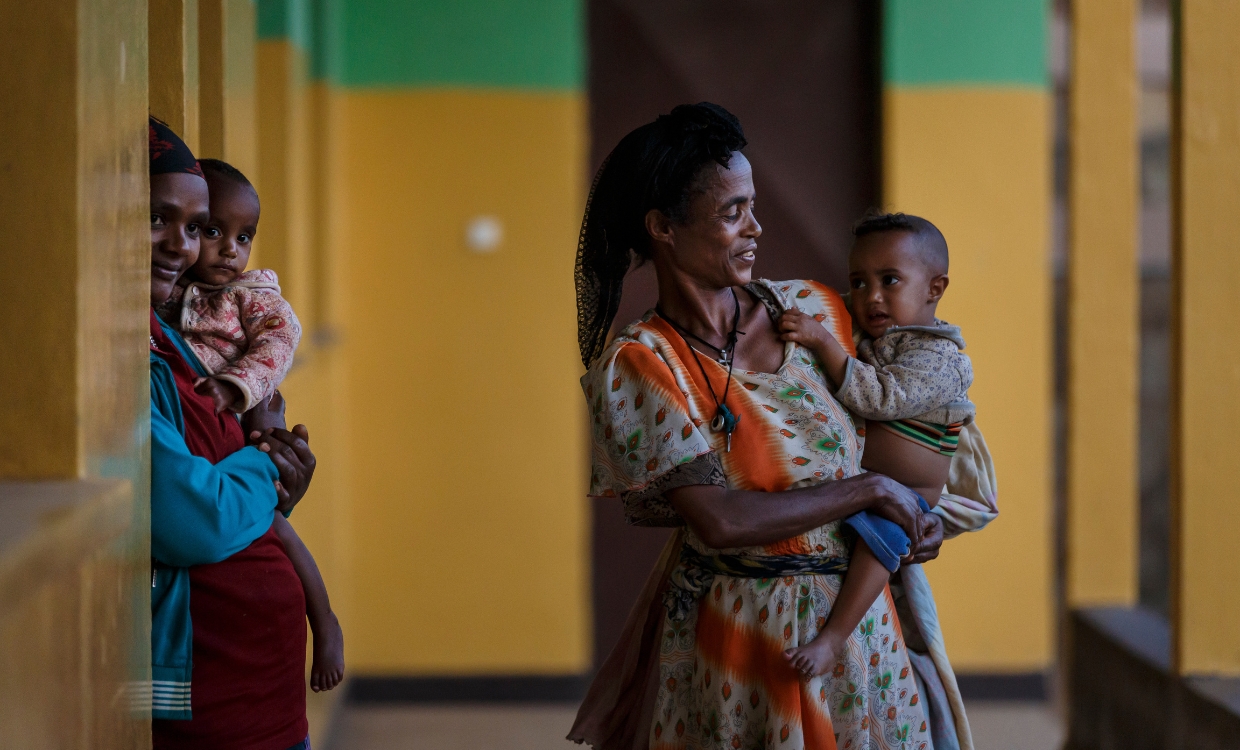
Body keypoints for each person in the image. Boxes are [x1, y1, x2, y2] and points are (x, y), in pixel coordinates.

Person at [568, 103, 944, 750]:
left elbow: (916, 416)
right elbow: (718, 521)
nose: (755, 228)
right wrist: (869, 492)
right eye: (731, 212)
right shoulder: (642, 366)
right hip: (739, 643)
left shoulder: (815, 310)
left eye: (754, 206)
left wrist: (925, 510)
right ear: (661, 227)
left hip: (861, 636)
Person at [147, 116, 317, 750]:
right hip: (212, 698)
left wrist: (268, 466)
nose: (182, 246)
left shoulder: (187, 341)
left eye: (195, 227)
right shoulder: (135, 357)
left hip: (263, 693)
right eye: (155, 219)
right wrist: (269, 469)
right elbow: (198, 517)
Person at [158, 156, 344, 693]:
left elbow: (281, 342)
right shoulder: (169, 291)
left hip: (241, 422)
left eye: (245, 237)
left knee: (279, 528)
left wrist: (240, 385)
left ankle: (324, 619)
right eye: (211, 231)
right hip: (207, 452)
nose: (229, 250)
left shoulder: (251, 296)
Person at [780, 212, 976, 679]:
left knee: (877, 544)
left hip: (904, 497)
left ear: (935, 288)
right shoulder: (876, 329)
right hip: (864, 484)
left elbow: (879, 397)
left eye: (890, 280)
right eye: (859, 282)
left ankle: (831, 640)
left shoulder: (939, 356)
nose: (872, 297)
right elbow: (822, 303)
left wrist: (823, 342)